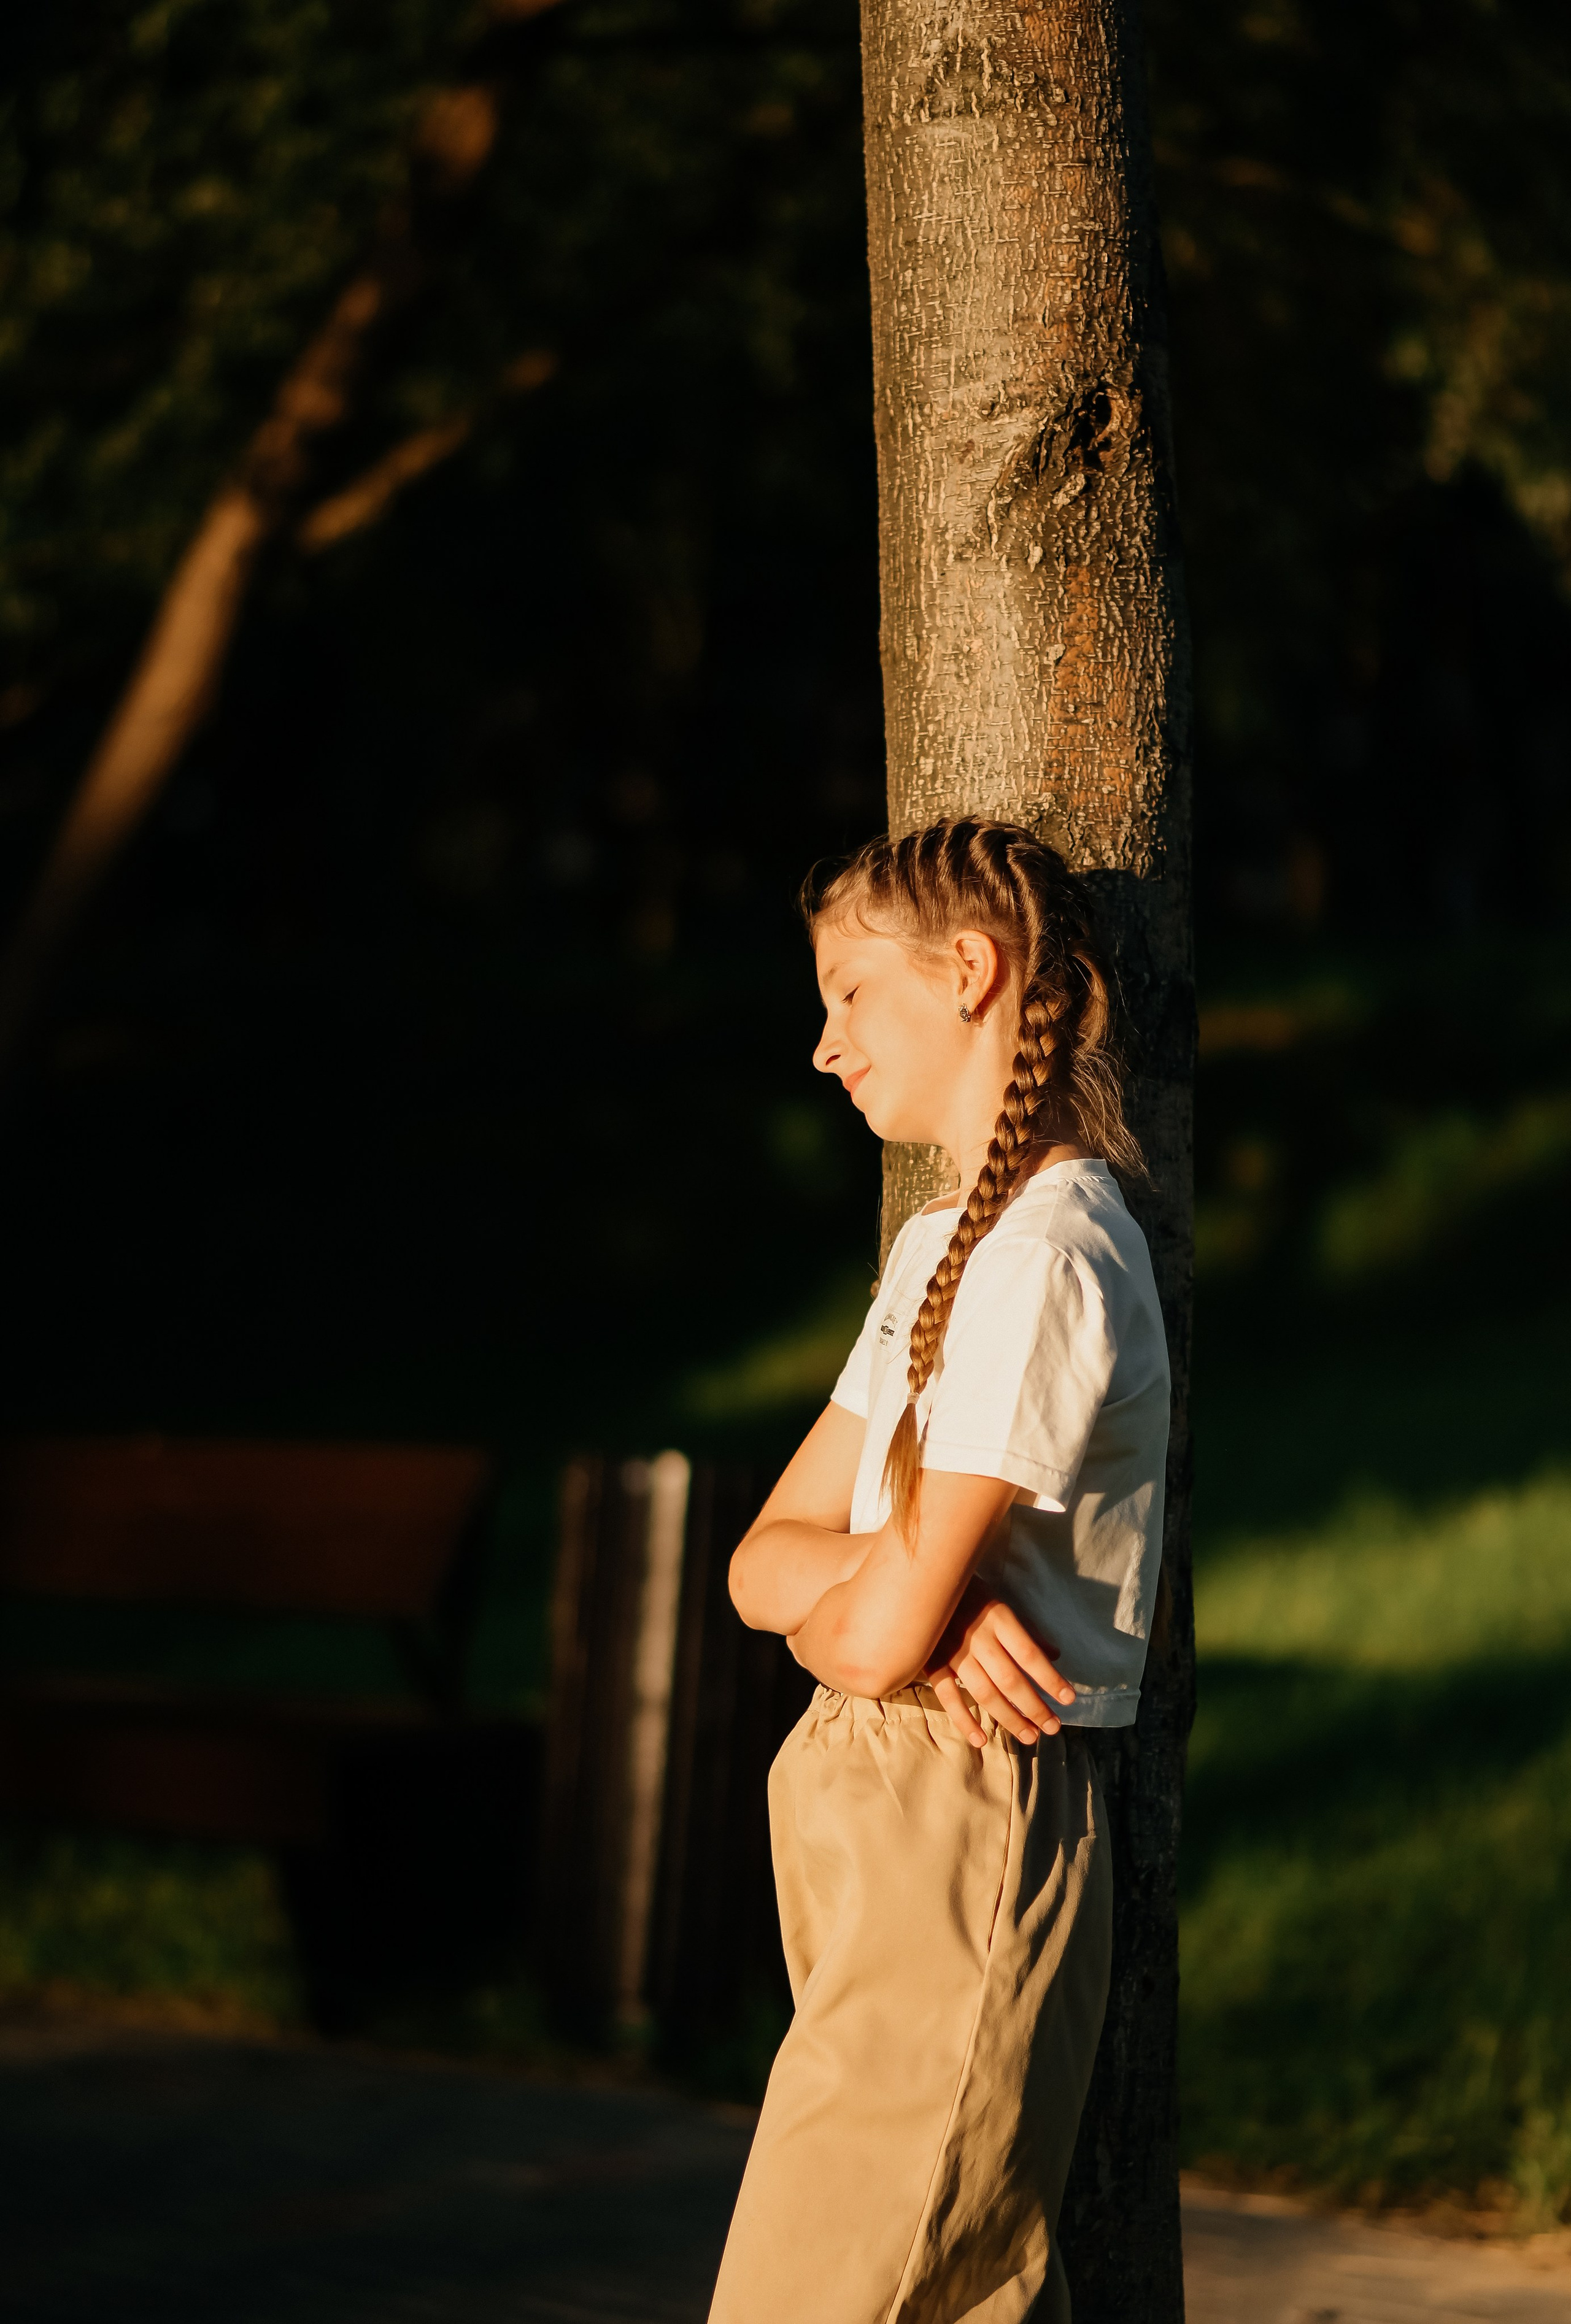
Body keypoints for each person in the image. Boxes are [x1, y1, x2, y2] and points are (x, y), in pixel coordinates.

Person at [708, 817, 1172, 2324]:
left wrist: (895, 1610)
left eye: (851, 993)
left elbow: (851, 1629)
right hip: (869, 1805)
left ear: (968, 973)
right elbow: (756, 1565)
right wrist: (915, 1597)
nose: (826, 1046)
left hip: (963, 1806)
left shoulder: (1047, 1258)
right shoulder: (933, 1251)